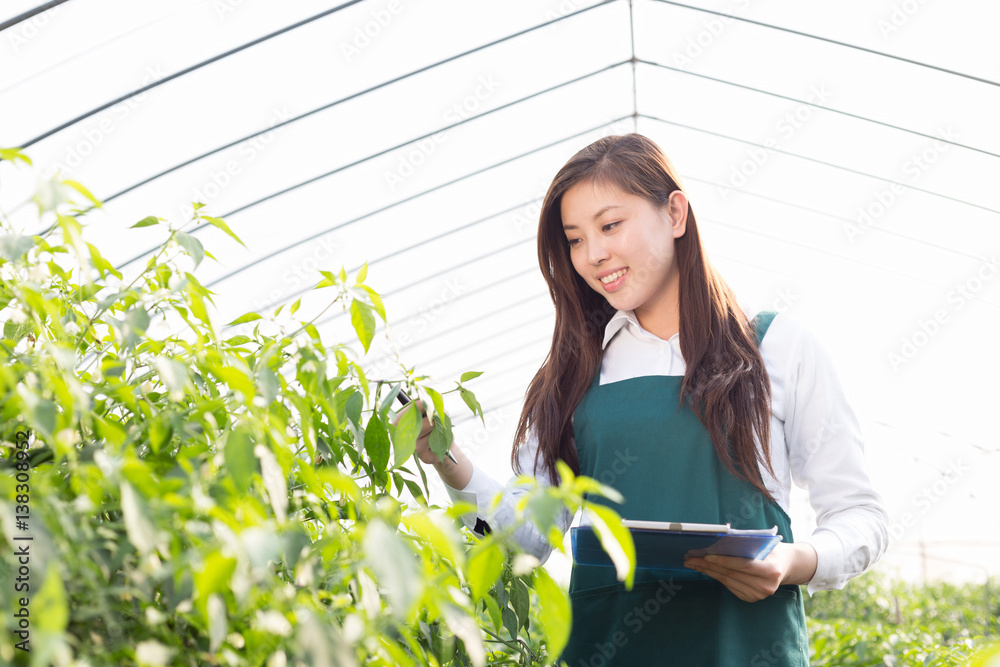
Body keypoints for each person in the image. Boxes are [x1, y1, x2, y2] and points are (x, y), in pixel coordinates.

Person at [397, 133, 888, 665]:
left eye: (610, 226)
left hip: (746, 648)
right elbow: (532, 538)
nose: (594, 254)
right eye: (575, 239)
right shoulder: (572, 375)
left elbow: (860, 516)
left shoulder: (776, 347)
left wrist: (793, 562)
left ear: (675, 214)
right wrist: (446, 459)